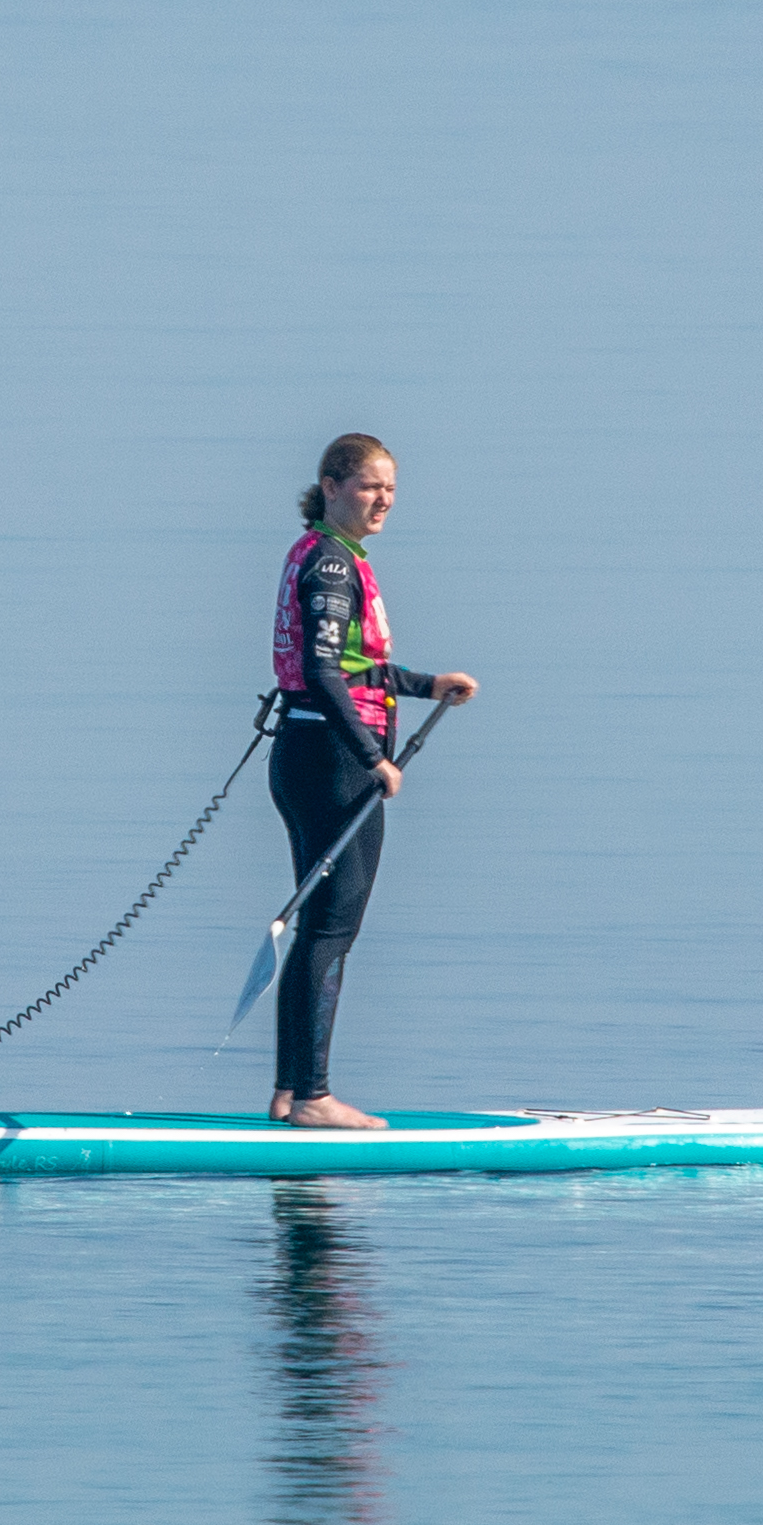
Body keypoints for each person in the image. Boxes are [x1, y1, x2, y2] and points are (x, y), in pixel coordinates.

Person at [269, 435, 479, 1128]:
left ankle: (291, 1091)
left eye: (389, 488)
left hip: (306, 754)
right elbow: (323, 672)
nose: (382, 499)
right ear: (330, 487)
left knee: (318, 927)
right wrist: (371, 757)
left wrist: (426, 684)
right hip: (331, 761)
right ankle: (313, 1098)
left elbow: (356, 666)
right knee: (332, 928)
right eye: (368, 485)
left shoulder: (328, 555)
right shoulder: (332, 564)